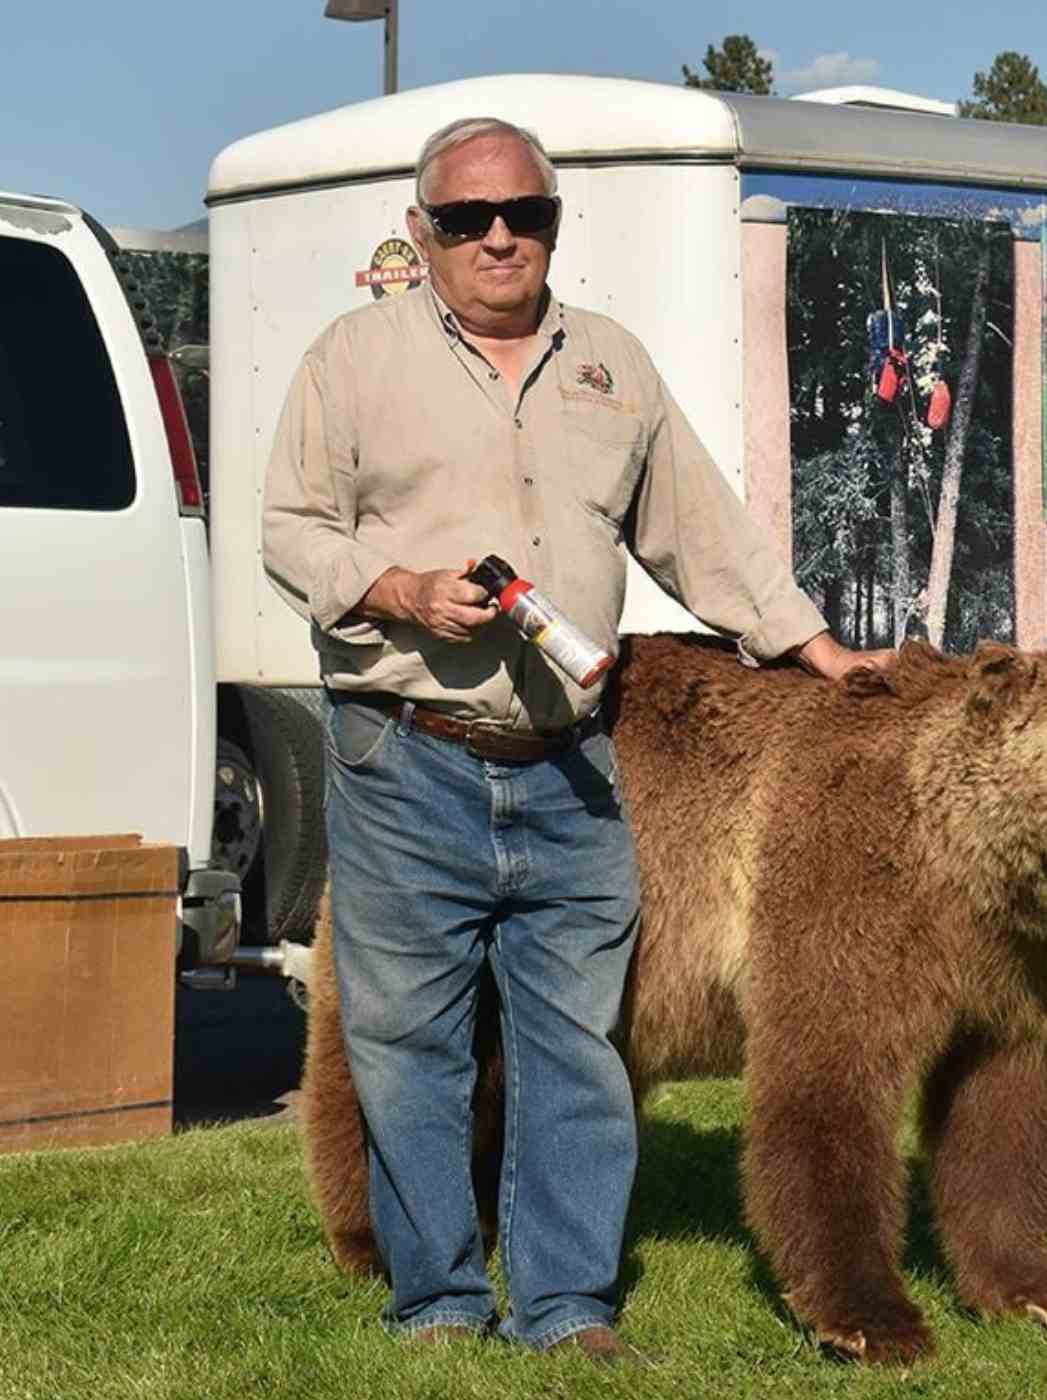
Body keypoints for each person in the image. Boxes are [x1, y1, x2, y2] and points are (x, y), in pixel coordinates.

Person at [262, 115, 891, 1358]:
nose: (499, 237)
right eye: (466, 218)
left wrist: (816, 649)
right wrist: (392, 587)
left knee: (580, 1047)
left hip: (566, 760)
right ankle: (438, 1299)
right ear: (421, 232)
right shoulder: (351, 358)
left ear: (552, 226)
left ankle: (564, 1306)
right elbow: (286, 529)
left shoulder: (610, 363)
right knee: (410, 1044)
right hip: (406, 743)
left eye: (525, 215)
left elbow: (697, 529)